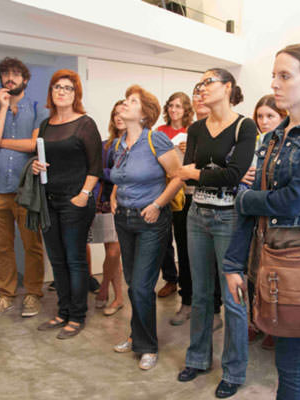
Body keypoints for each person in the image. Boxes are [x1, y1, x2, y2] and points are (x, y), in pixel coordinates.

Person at [223, 43, 300, 400]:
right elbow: (253, 209)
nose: (275, 84)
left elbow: (294, 201)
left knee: (291, 357)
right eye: (274, 76)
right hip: (268, 254)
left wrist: (246, 198)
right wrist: (234, 263)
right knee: (294, 355)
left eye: (284, 76)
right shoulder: (273, 136)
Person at [174, 68, 257, 399]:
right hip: (197, 215)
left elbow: (235, 174)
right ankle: (197, 358)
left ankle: (234, 371)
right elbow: (187, 174)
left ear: (228, 87)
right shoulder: (196, 128)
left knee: (233, 298)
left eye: (209, 82)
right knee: (201, 294)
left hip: (229, 219)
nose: (203, 88)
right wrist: (210, 173)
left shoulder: (243, 126)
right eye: (200, 83)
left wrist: (199, 172)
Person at [110, 85, 183, 371]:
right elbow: (119, 176)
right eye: (124, 100)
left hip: (151, 220)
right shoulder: (119, 143)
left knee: (141, 285)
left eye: (131, 101)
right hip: (124, 219)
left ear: (144, 113)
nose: (124, 105)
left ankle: (148, 346)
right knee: (133, 283)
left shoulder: (157, 140)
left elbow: (178, 177)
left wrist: (157, 204)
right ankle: (136, 334)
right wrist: (115, 197)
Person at [31, 69, 102, 339]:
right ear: (51, 92)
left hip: (76, 201)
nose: (62, 91)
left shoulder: (85, 124)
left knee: (75, 260)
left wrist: (83, 195)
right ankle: (62, 312)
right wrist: (36, 166)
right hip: (48, 201)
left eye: (68, 88)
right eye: (57, 87)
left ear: (76, 94)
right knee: (57, 260)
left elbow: (95, 166)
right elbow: (43, 158)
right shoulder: (46, 125)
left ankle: (78, 315)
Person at [0, 57, 48, 319]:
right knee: (1, 245)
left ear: (25, 79)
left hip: (26, 190)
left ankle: (33, 293)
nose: (10, 78)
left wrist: (2, 142)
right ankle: (6, 295)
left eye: (16, 74)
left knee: (32, 244)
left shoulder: (38, 109)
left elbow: (33, 145)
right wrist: (2, 108)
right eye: (6, 74)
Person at [170, 85, 224, 327]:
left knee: (212, 257)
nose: (200, 98)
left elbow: (224, 169)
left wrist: (193, 168)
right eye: (196, 94)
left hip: (216, 199)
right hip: (187, 197)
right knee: (185, 252)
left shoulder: (225, 128)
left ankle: (214, 310)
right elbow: (182, 170)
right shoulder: (191, 131)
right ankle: (187, 301)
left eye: (205, 93)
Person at [245, 94, 287, 350]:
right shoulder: (257, 142)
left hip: (278, 217)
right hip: (255, 215)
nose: (264, 121)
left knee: (276, 275)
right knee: (254, 272)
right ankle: (255, 321)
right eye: (260, 116)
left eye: (270, 116)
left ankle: (274, 325)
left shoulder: (287, 143)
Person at [155, 91, 193, 298]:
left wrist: (190, 151)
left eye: (179, 106)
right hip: (162, 190)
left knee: (183, 238)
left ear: (186, 110)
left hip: (184, 192)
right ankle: (170, 278)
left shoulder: (193, 131)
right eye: (171, 105)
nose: (174, 109)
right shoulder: (159, 132)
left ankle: (187, 283)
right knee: (163, 239)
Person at [93, 100, 126, 316]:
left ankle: (104, 287)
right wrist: (114, 173)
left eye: (123, 112)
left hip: (127, 202)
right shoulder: (105, 145)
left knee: (115, 252)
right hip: (104, 202)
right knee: (110, 252)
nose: (119, 116)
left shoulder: (138, 144)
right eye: (115, 113)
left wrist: (112, 172)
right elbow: (97, 171)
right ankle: (119, 297)